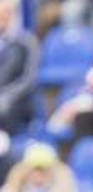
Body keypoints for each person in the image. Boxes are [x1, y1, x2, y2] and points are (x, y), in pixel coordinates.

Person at [0, 0, 37, 138]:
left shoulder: (27, 42)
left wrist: (6, 95)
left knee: (3, 108)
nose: (2, 18)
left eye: (6, 13)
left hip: (18, 101)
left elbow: (28, 79)